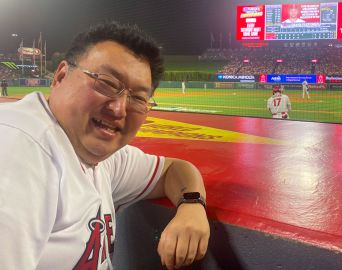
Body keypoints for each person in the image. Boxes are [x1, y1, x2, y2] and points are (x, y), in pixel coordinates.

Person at [0, 22, 209, 270]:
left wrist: (192, 205)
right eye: (107, 83)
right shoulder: (18, 151)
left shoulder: (99, 155)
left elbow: (173, 169)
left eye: (138, 98)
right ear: (61, 76)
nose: (119, 108)